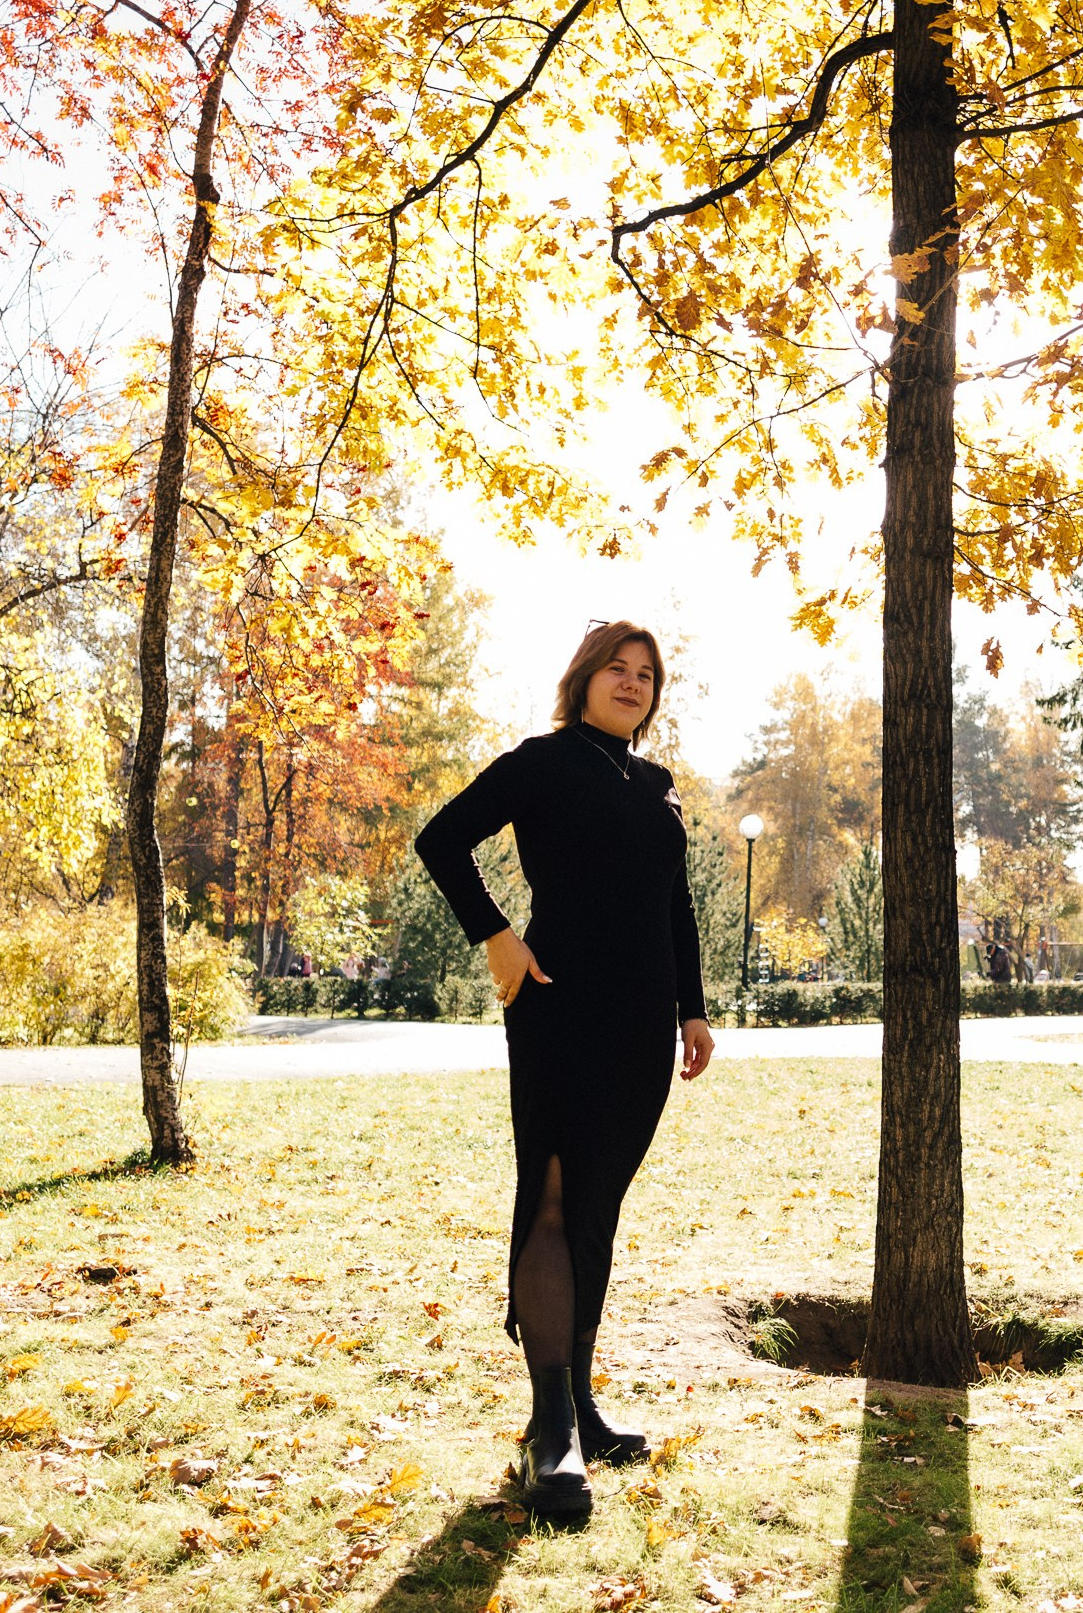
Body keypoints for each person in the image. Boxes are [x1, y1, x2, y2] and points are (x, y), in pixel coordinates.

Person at [414, 621, 714, 1522]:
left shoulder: (657, 789)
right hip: (558, 1009)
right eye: (616, 670)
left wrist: (691, 1008)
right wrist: (496, 935)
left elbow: (676, 907)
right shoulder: (541, 762)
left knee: (595, 1208)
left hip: (639, 1030)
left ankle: (579, 1399)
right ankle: (551, 1429)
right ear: (582, 679)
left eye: (645, 674)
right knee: (548, 1197)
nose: (631, 683)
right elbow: (441, 841)